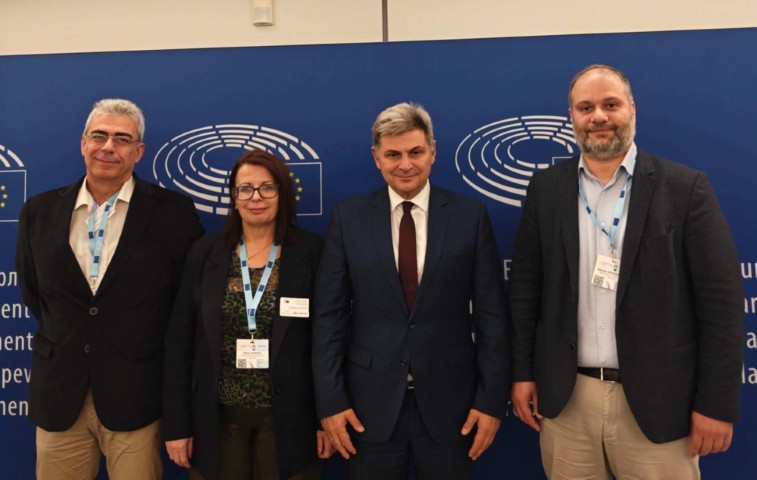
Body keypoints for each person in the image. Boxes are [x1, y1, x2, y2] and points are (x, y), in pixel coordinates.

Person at [509, 64, 745, 479]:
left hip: (660, 404)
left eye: (610, 104)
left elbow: (721, 305)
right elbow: (527, 290)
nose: (598, 116)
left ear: (632, 110)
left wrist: (716, 403)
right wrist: (523, 373)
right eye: (586, 107)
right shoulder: (546, 189)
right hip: (567, 401)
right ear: (571, 117)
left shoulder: (685, 189)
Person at [312, 102, 509, 479]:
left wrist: (490, 401)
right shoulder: (348, 218)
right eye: (393, 154)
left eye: (415, 152)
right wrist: (330, 401)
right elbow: (329, 318)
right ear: (376, 158)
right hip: (367, 410)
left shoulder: (469, 216)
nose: (405, 164)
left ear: (433, 152)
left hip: (453, 408)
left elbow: (492, 318)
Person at [15, 98, 203, 480]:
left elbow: (184, 305)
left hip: (135, 396)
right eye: (99, 136)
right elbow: (35, 293)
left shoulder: (173, 213)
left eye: (122, 139)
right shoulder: (38, 211)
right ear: (83, 143)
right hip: (60, 395)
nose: (108, 147)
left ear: (139, 152)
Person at [163, 150, 334, 480]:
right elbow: (180, 342)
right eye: (245, 188)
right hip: (216, 421)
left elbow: (326, 341)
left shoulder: (311, 252)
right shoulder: (205, 253)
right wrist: (178, 425)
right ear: (234, 196)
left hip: (291, 421)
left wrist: (324, 418)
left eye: (267, 187)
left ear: (282, 193)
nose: (256, 197)